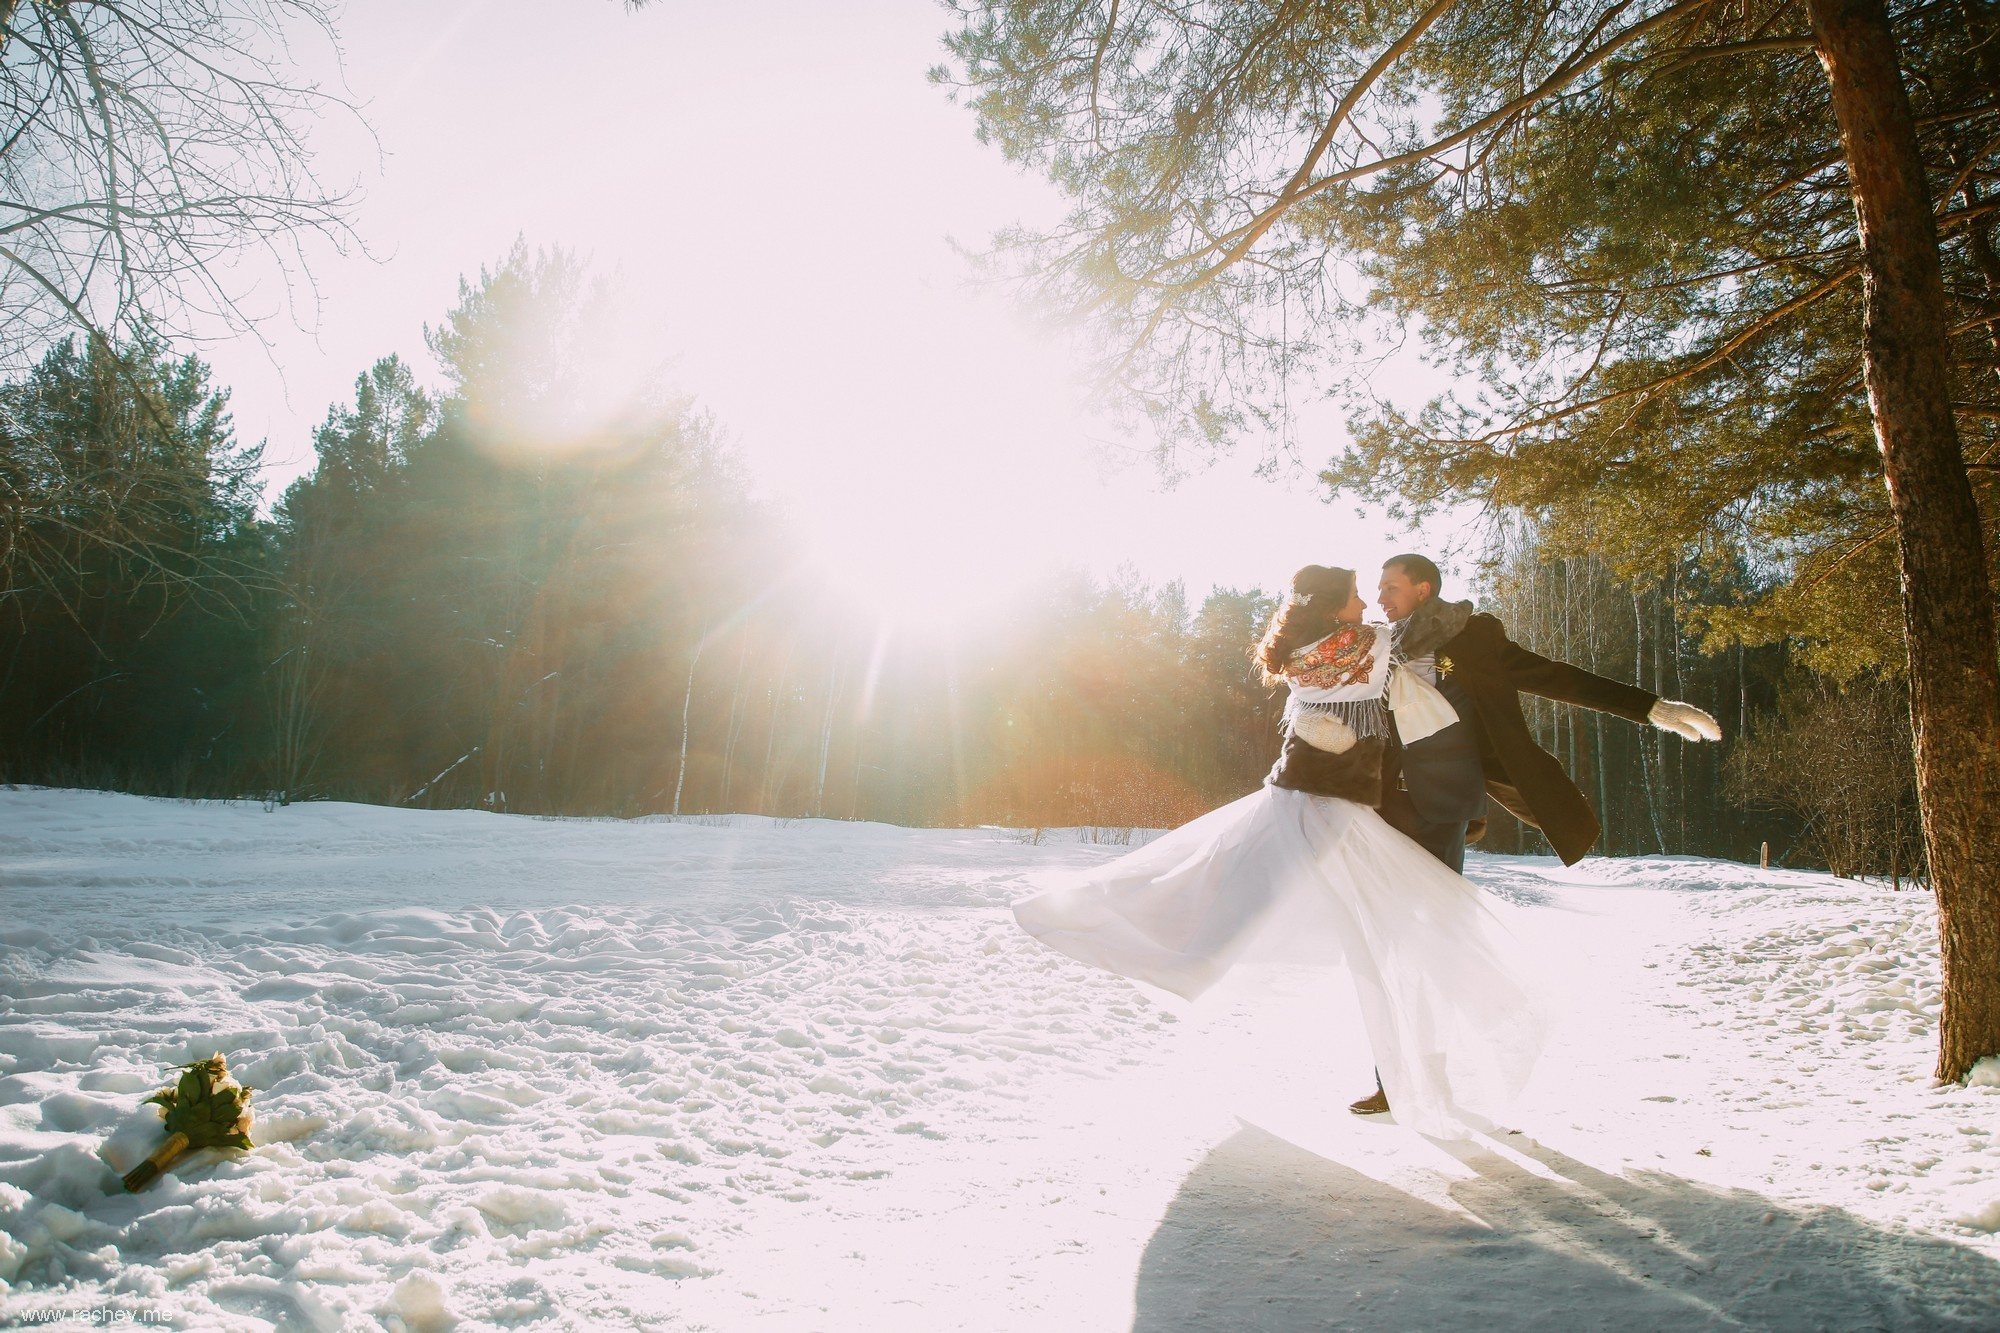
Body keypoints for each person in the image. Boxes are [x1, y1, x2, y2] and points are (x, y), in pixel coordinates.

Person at [1012, 565, 1555, 1139]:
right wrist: (1461, 617)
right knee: (1277, 901)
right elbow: (1414, 638)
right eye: (1354, 596)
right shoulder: (1357, 645)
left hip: (1310, 798)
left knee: (1240, 886)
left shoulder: (1311, 644)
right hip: (1325, 804)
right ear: (1331, 608)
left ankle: (1151, 937)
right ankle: (1163, 946)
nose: (1366, 601)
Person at [1273, 554, 1721, 1115]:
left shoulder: (1471, 637)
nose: (1381, 598)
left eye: (1391, 587)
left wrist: (1651, 707)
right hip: (1381, 807)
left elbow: (1554, 676)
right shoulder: (1372, 646)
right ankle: (1392, 1077)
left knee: (1430, 944)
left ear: (1423, 588)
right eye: (1376, 588)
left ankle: (1429, 1077)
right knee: (1384, 945)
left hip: (1440, 810)